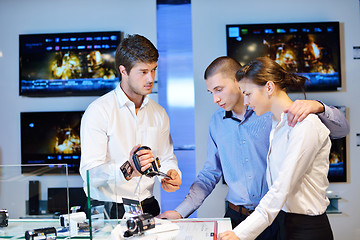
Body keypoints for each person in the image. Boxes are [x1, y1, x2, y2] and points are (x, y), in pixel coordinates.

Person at [157, 56, 349, 239]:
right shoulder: (219, 122)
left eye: (218, 89)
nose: (215, 99)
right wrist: (180, 212)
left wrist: (319, 106)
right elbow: (209, 173)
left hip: (275, 217)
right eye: (211, 92)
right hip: (237, 215)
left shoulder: (279, 116)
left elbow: (340, 130)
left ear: (238, 82)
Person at [219, 57, 335, 240]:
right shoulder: (277, 124)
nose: (246, 101)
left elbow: (280, 190)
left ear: (269, 88)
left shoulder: (305, 125)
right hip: (281, 224)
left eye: (248, 94)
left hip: (306, 230)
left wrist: (239, 234)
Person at [80, 34, 182, 219]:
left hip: (148, 206)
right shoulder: (98, 111)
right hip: (107, 210)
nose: (150, 78)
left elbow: (166, 157)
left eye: (153, 70)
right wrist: (129, 169)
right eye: (143, 72)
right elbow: (89, 174)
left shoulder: (159, 113)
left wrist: (170, 174)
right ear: (123, 71)